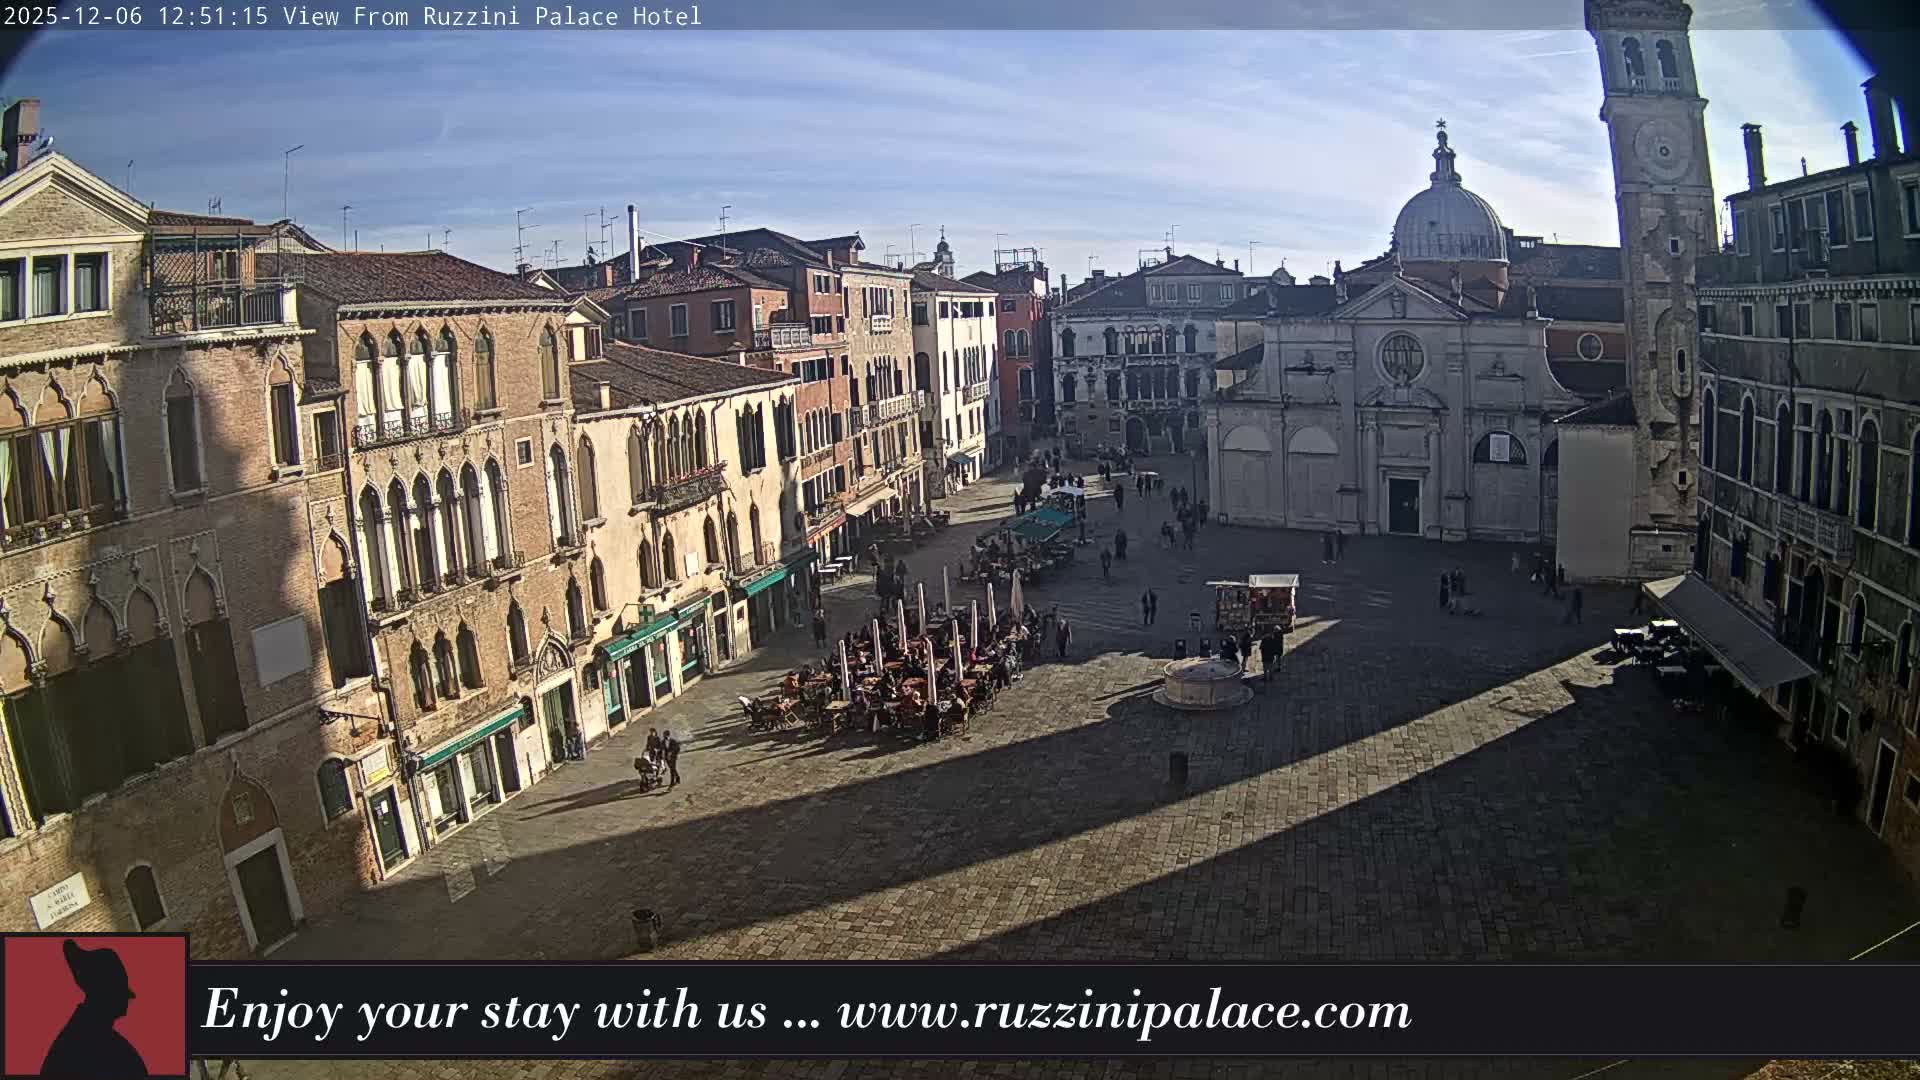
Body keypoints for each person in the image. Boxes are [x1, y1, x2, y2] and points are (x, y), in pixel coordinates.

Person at [40, 939, 147, 1078]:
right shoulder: (87, 1044)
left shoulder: (83, 1036)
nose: (126, 1001)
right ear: (106, 993)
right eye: (120, 991)